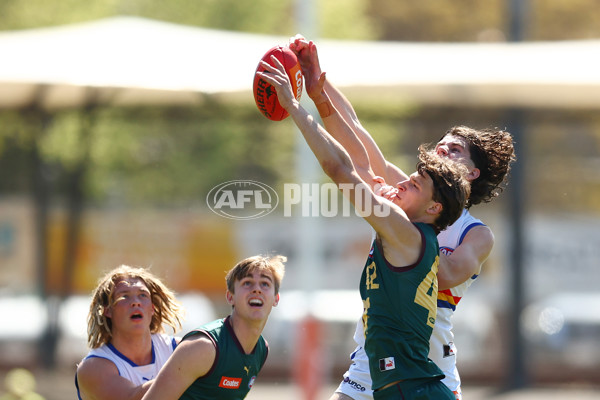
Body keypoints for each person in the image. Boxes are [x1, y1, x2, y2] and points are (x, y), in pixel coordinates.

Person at [288, 36, 515, 400]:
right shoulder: (409, 198)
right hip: (373, 354)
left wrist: (396, 228)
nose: (442, 148)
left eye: (455, 149)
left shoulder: (474, 233)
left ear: (471, 174)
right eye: (441, 142)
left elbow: (443, 273)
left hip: (426, 366)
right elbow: (359, 146)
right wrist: (319, 90)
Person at [258, 56, 470, 399]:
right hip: (397, 385)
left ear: (433, 208)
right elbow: (359, 157)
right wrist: (319, 95)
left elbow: (339, 169)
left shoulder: (406, 234)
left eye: (413, 186)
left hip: (413, 390)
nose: (402, 184)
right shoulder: (404, 226)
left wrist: (294, 106)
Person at [141, 254, 286, 400]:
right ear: (230, 297)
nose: (257, 289)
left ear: (276, 298)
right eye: (247, 283)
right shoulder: (203, 347)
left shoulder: (261, 349)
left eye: (265, 284)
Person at [76, 265, 185, 400]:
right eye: (124, 296)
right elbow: (132, 397)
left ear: (152, 308)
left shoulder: (177, 349)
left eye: (142, 295)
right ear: (107, 310)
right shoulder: (93, 367)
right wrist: (190, 372)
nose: (135, 302)